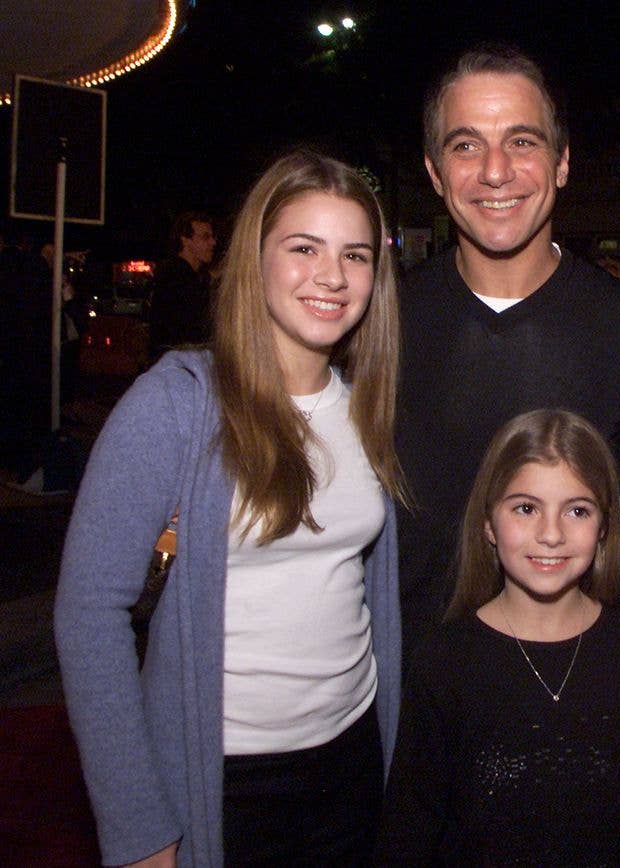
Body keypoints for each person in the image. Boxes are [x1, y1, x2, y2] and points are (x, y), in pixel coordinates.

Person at [55, 150, 405, 867]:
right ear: (255, 258)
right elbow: (88, 612)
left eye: (356, 255)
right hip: (224, 777)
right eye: (303, 248)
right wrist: (139, 823)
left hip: (352, 760)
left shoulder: (365, 409)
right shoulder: (176, 405)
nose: (333, 276)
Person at [395, 45, 620, 661]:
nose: (493, 171)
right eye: (464, 145)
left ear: (562, 163)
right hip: (413, 696)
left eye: (522, 142)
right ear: (434, 173)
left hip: (581, 694)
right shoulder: (383, 323)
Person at [378, 409, 620, 864]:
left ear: (603, 527)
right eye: (526, 508)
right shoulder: (445, 661)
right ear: (488, 523)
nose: (550, 534)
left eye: (576, 511)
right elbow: (407, 837)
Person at [148, 210, 217, 360]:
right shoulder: (176, 280)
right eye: (205, 237)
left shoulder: (195, 277)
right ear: (186, 240)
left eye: (212, 237)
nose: (213, 242)